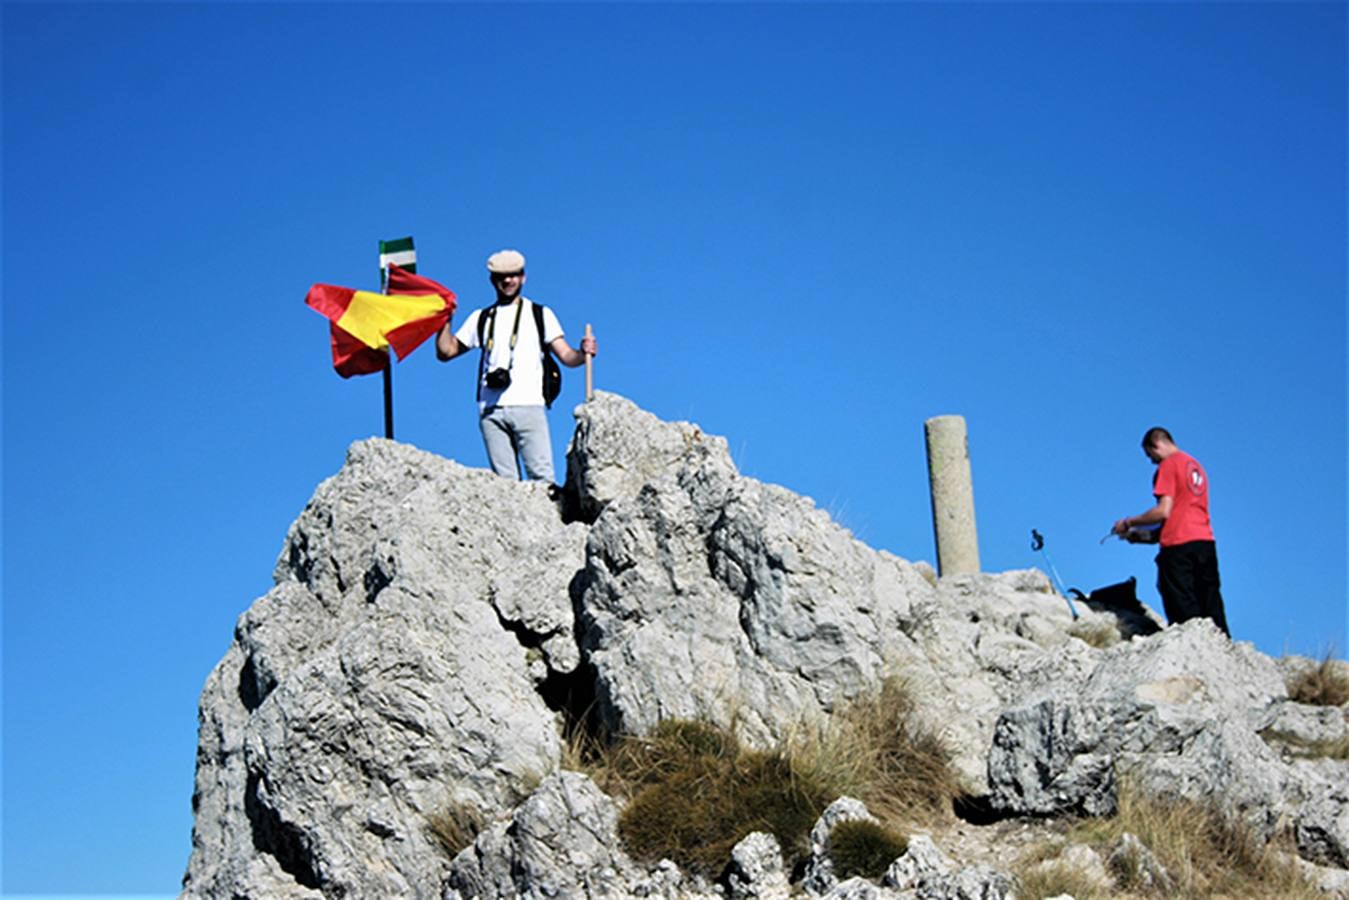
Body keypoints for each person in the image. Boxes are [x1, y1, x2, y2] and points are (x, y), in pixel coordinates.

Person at [435, 249, 597, 483]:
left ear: (523, 277)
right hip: (491, 409)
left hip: (529, 405)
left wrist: (583, 353)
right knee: (504, 485)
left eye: (514, 275)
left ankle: (547, 520)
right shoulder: (481, 317)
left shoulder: (540, 314)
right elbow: (446, 351)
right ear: (493, 280)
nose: (508, 280)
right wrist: (444, 320)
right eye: (502, 276)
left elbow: (567, 356)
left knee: (543, 480)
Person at [1111, 427, 1230, 637]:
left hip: (1178, 550)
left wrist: (1128, 523)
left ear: (1156, 444)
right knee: (1211, 604)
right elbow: (1177, 517)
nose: (1152, 462)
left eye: (1151, 456)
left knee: (1183, 609)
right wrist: (1139, 537)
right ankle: (1222, 651)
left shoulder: (1168, 465)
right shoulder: (1195, 467)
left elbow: (1163, 512)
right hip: (1205, 543)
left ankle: (1191, 651)